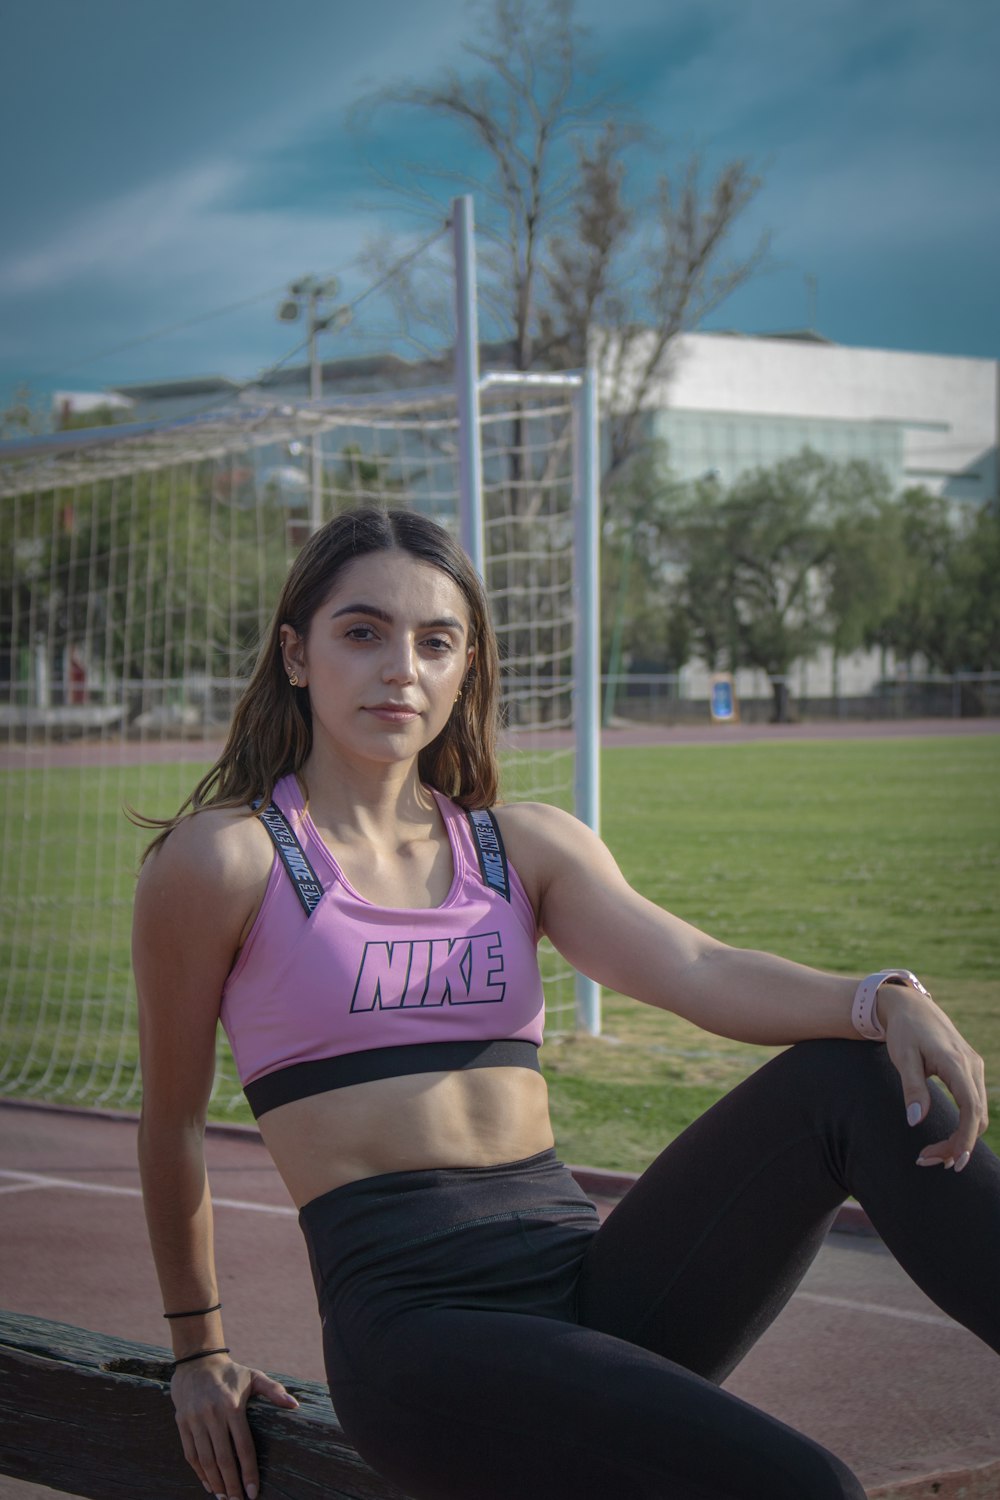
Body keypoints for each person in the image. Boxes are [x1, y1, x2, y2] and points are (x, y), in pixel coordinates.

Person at [133, 505, 999, 1500]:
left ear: (466, 668)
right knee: (805, 1486)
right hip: (422, 1332)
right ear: (296, 653)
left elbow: (698, 968)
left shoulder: (524, 846)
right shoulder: (224, 861)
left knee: (850, 1072)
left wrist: (882, 997)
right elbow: (172, 1122)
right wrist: (196, 1350)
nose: (399, 668)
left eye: (435, 641)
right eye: (362, 632)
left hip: (592, 1285)